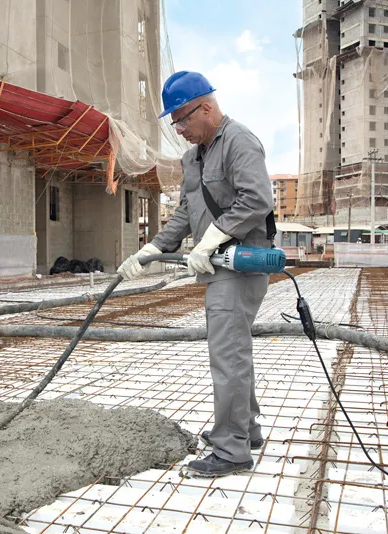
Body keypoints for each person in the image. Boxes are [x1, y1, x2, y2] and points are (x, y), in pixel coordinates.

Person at [117, 71, 274, 477]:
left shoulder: (239, 141)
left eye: (183, 119)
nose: (179, 129)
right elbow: (187, 213)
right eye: (174, 122)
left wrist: (212, 240)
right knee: (235, 351)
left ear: (207, 107)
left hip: (240, 265)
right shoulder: (193, 158)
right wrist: (152, 249)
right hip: (217, 264)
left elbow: (257, 199)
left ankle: (231, 450)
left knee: (228, 356)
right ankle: (246, 430)